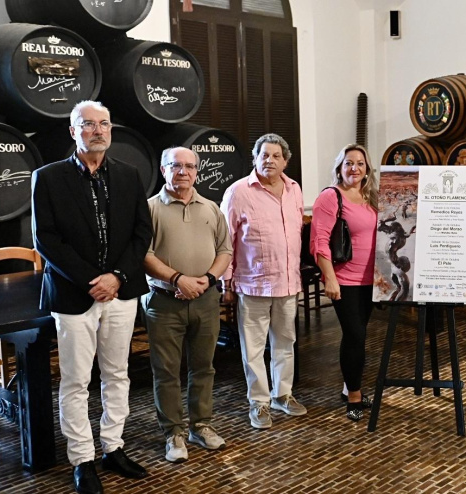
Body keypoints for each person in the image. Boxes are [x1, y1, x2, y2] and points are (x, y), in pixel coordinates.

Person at [31, 100, 152, 494]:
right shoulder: (47, 178)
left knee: (118, 374)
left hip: (121, 293)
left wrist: (116, 277)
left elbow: (140, 235)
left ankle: (113, 447)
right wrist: (92, 280)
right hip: (72, 294)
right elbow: (45, 239)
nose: (98, 130)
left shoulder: (131, 176)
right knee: (76, 380)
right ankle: (82, 459)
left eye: (104, 123)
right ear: (73, 131)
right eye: (88, 125)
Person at [142, 146, 232, 462]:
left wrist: (206, 280)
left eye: (189, 166)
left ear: (197, 170)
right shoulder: (149, 208)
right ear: (164, 168)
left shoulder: (211, 208)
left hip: (206, 299)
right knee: (166, 371)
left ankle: (201, 426)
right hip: (165, 301)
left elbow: (225, 251)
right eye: (175, 165)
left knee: (204, 367)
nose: (183, 172)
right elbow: (144, 255)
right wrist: (178, 279)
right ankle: (173, 433)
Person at [220, 133, 307, 430]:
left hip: (287, 282)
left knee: (286, 342)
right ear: (255, 158)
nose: (270, 160)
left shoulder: (294, 189)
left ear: (285, 161)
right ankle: (259, 402)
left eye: (276, 156)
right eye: (264, 155)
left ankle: (283, 394)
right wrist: (226, 283)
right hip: (252, 284)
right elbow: (226, 241)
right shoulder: (237, 192)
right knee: (253, 347)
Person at [311, 144, 379, 422]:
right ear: (339, 168)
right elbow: (319, 242)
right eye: (348, 163)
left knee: (359, 335)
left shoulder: (371, 197)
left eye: (360, 163)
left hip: (373, 280)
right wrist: (330, 278)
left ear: (367, 168)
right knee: (355, 336)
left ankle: (348, 385)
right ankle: (354, 395)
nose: (355, 168)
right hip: (346, 281)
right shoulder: (330, 197)